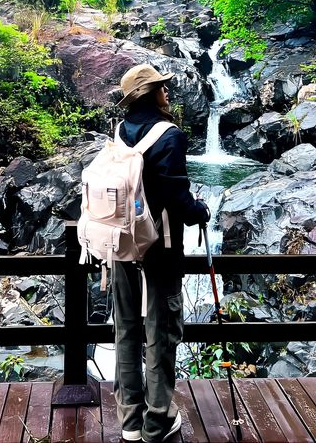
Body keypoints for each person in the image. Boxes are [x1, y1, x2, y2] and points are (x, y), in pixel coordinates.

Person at [113, 63, 210, 443]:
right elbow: (175, 194)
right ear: (151, 94)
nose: (167, 93)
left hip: (121, 246)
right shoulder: (169, 135)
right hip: (160, 248)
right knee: (161, 331)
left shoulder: (120, 133)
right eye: (162, 88)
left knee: (126, 330)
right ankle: (156, 422)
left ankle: (129, 421)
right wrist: (198, 210)